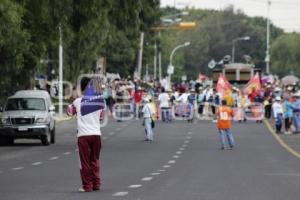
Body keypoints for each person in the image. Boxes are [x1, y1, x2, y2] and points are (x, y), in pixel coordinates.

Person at [67, 77, 104, 192]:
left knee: (84, 162)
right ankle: (96, 184)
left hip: (83, 135)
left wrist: (72, 99)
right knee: (95, 160)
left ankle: (87, 186)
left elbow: (69, 113)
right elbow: (101, 117)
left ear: (81, 88)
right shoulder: (99, 101)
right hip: (96, 135)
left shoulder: (77, 102)